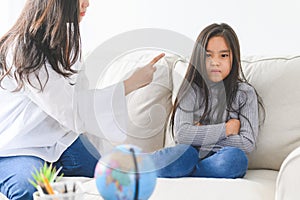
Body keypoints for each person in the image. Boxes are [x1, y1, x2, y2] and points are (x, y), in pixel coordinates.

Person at [0, 0, 164, 199]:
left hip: (61, 142)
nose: (87, 3)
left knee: (111, 180)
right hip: (18, 147)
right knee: (29, 189)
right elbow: (69, 110)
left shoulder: (67, 40)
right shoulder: (23, 48)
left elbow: (83, 101)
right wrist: (129, 84)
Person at [151, 23, 264, 179]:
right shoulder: (191, 90)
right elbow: (182, 135)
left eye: (223, 55)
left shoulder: (245, 93)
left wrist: (199, 133)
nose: (215, 62)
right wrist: (226, 129)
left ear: (234, 58)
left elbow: (247, 143)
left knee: (235, 159)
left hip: (221, 159)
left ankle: (188, 171)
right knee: (185, 155)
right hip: (187, 155)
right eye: (208, 55)